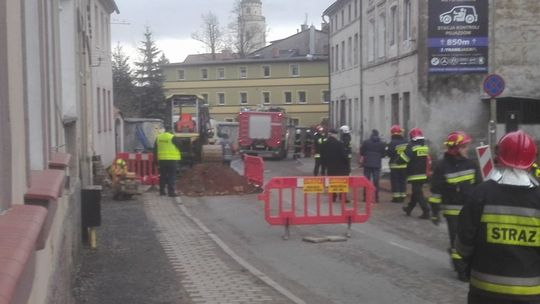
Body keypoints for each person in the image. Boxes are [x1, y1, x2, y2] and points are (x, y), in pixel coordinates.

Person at [456, 130, 540, 303]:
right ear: (532, 160)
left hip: (484, 291)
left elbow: (464, 240)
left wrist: (466, 262)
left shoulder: (482, 193)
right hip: (530, 294)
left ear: (499, 156)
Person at [429, 131, 481, 282]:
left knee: (471, 240)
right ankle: (461, 270)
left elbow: (479, 187)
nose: (467, 149)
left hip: (470, 211)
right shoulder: (442, 167)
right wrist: (434, 212)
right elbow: (436, 191)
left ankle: (464, 263)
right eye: (464, 146)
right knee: (457, 240)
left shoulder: (472, 164)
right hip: (452, 211)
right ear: (456, 149)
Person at [398, 127, 431, 218]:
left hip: (414, 174)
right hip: (423, 173)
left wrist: (398, 160)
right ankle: (409, 208)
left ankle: (426, 211)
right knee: (416, 192)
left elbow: (404, 159)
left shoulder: (411, 147)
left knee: (418, 193)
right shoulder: (424, 147)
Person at [153, 125, 183, 197]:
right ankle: (171, 192)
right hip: (172, 160)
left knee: (162, 176)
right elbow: (180, 146)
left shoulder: (158, 137)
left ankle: (162, 191)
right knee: (171, 176)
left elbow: (154, 150)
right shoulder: (172, 137)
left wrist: (155, 160)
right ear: (171, 131)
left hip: (162, 160)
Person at [321, 128, 350, 202]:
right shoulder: (339, 143)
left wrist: (324, 166)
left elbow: (323, 155)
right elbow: (344, 155)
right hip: (341, 166)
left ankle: (333, 197)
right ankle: (342, 197)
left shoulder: (325, 143)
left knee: (332, 181)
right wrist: (347, 163)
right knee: (342, 182)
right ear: (334, 135)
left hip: (330, 166)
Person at [360, 129, 386, 202]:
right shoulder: (381, 143)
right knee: (376, 181)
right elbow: (384, 154)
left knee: (366, 180)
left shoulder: (366, 142)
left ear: (371, 134)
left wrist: (366, 155)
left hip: (367, 163)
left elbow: (362, 152)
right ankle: (376, 198)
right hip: (377, 164)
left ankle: (365, 197)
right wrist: (378, 156)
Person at [387, 125, 409, 203]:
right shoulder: (406, 141)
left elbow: (389, 154)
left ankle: (396, 198)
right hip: (405, 165)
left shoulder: (392, 143)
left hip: (394, 165)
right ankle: (402, 196)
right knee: (402, 181)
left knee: (395, 181)